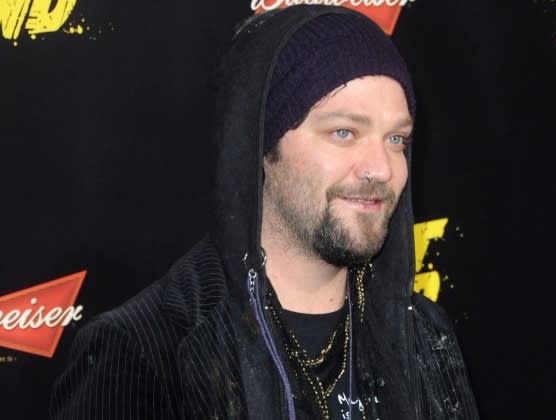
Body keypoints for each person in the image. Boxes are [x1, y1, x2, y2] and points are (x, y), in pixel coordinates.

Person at [50, 5, 478, 420]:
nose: (381, 168)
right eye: (344, 132)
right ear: (260, 147)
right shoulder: (143, 351)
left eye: (396, 139)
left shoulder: (423, 334)